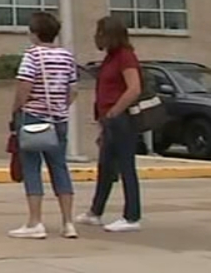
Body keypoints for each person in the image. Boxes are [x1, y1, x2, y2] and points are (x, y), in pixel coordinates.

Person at [8, 12, 79, 240]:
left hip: (34, 119)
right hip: (59, 120)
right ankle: (68, 223)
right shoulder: (67, 56)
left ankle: (35, 222)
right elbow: (74, 90)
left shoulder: (32, 56)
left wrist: (17, 109)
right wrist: (60, 107)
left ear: (35, 33)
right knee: (59, 167)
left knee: (32, 168)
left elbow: (24, 87)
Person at [77, 16, 143, 233]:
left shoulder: (125, 57)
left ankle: (132, 216)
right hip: (109, 120)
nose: (97, 37)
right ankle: (95, 212)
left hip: (121, 120)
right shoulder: (110, 57)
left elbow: (134, 88)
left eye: (101, 33)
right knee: (105, 168)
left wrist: (115, 111)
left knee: (126, 167)